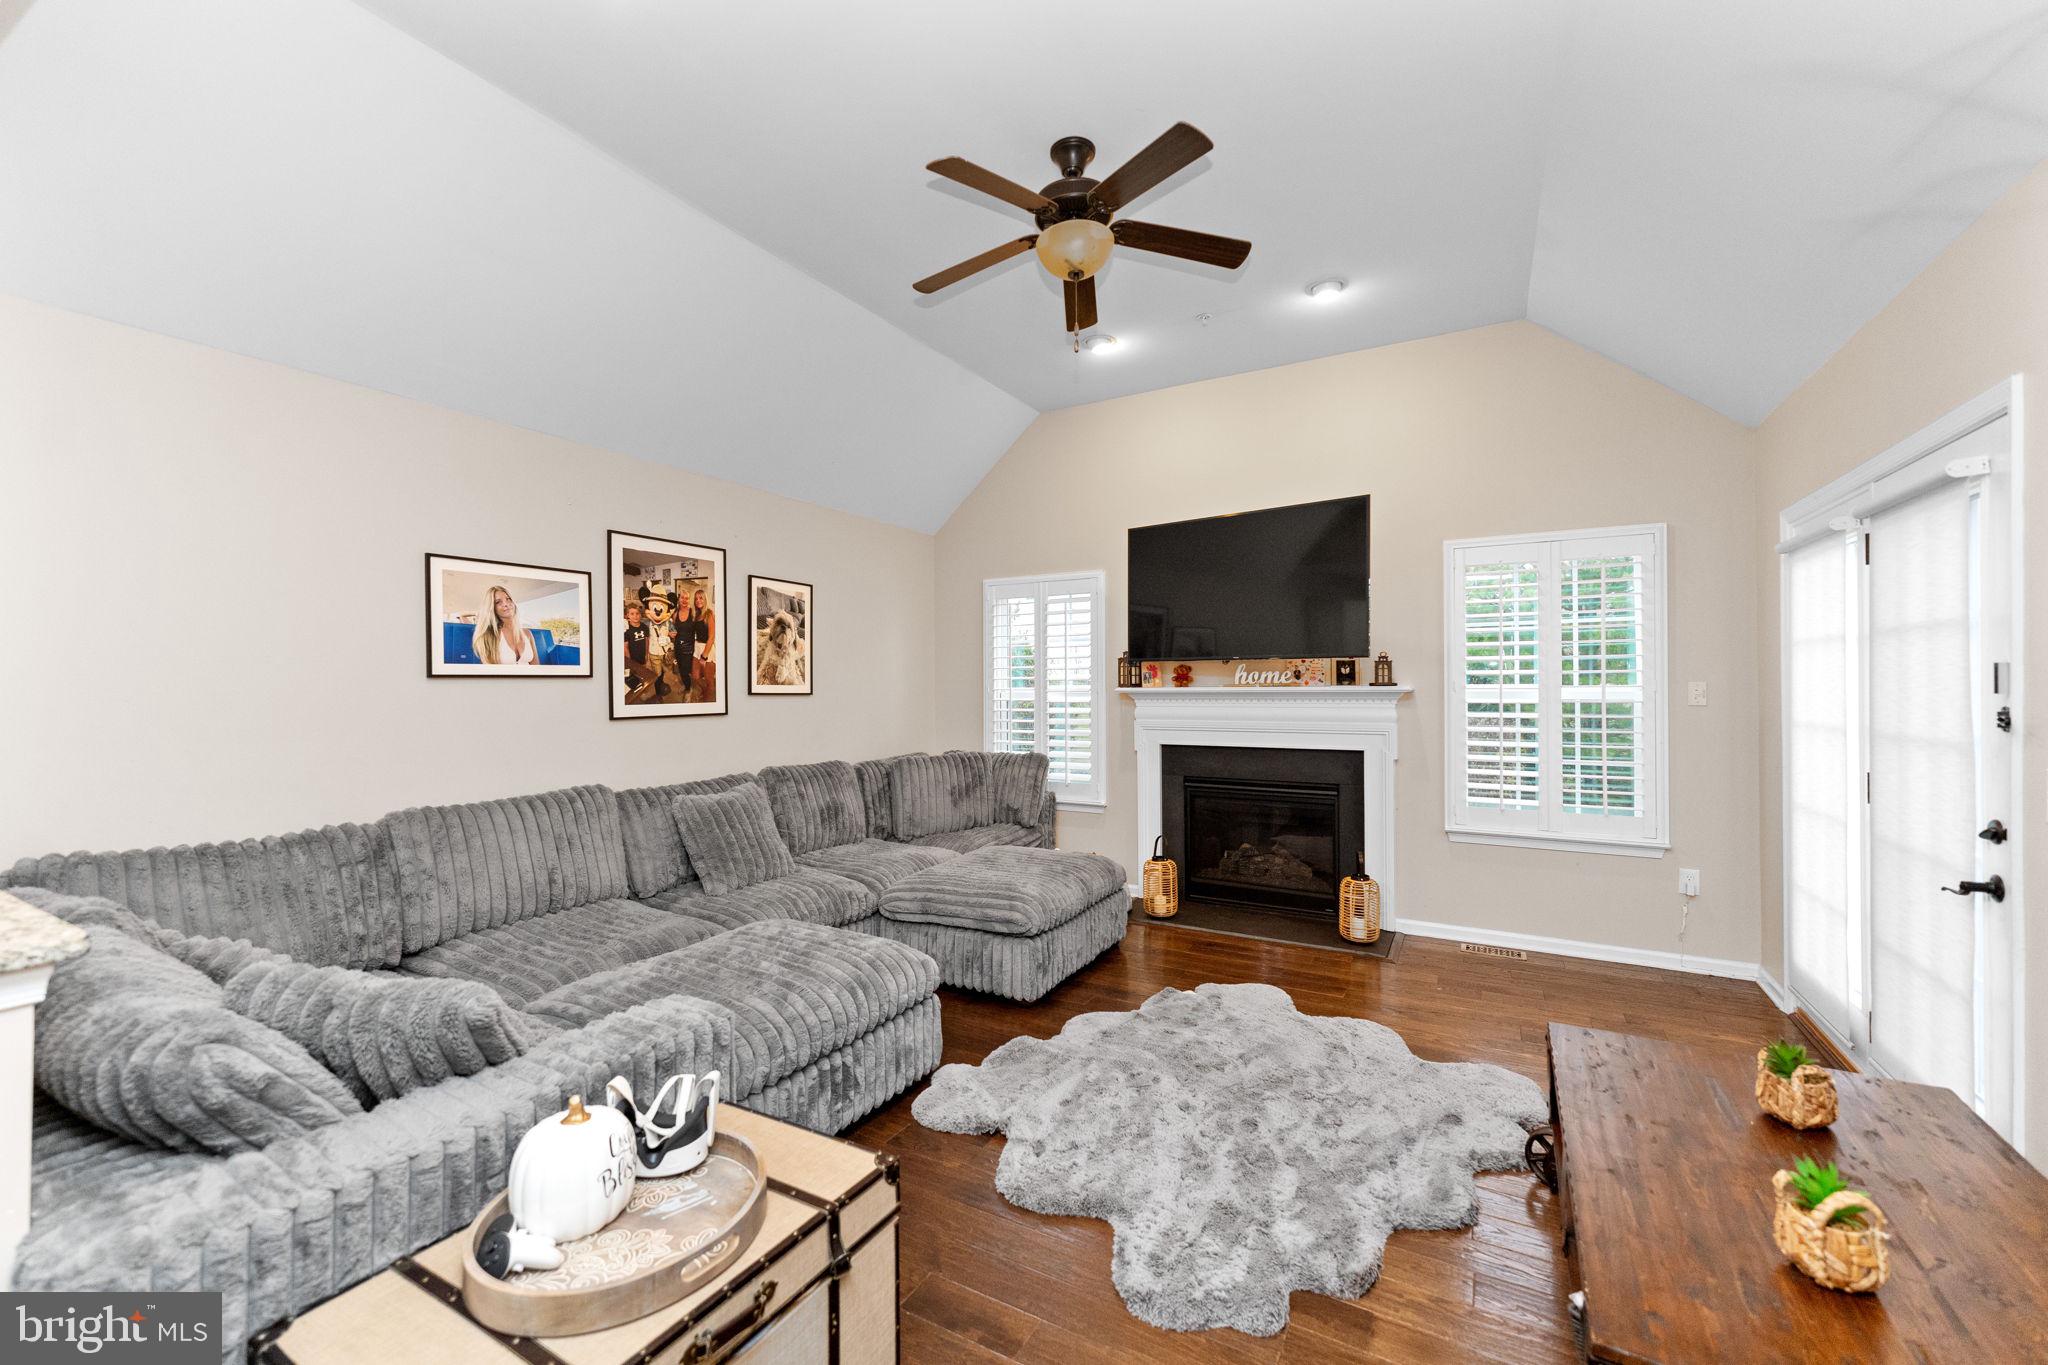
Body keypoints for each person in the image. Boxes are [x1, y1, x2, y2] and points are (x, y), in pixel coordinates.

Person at [472, 584, 540, 665]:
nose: (506, 604)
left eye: (508, 599)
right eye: (498, 602)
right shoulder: (488, 636)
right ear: (492, 608)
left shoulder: (527, 633)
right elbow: (490, 674)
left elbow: (536, 667)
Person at [621, 600, 655, 702]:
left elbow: (647, 641)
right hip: (632, 659)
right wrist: (629, 661)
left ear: (640, 615)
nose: (635, 616)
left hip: (642, 657)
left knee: (643, 674)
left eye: (637, 614)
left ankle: (643, 689)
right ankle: (637, 691)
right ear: (627, 616)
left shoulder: (644, 627)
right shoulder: (626, 630)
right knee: (634, 676)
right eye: (632, 614)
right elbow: (625, 646)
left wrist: (646, 655)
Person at [689, 587, 717, 700]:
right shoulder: (697, 615)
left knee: (709, 680)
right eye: (696, 599)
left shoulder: (709, 614)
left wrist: (704, 656)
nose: (698, 601)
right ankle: (705, 691)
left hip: (707, 650)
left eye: (701, 598)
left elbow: (711, 637)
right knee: (695, 677)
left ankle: (707, 700)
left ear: (705, 599)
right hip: (697, 648)